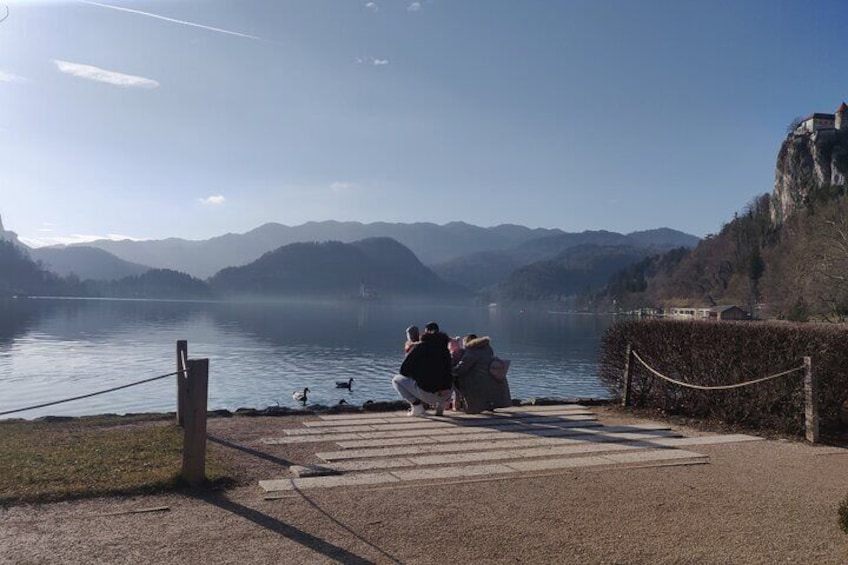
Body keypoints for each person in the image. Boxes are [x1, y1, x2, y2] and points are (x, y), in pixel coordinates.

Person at [392, 321, 453, 416]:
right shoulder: (445, 350)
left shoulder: (419, 347)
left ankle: (417, 407)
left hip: (428, 394)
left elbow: (403, 371)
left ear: (426, 332)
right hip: (446, 393)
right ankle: (441, 404)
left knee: (396, 380)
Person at [451, 333, 512, 414]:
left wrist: (451, 370)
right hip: (491, 378)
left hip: (478, 380)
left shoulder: (471, 352)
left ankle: (465, 405)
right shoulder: (487, 349)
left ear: (468, 343)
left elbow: (462, 368)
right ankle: (488, 405)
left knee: (459, 378)